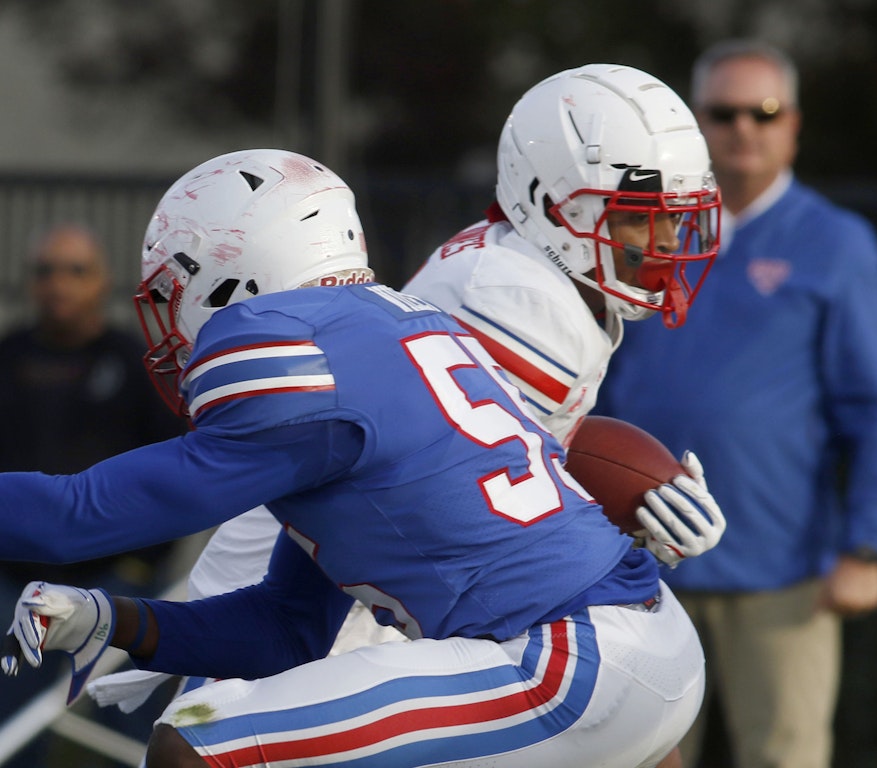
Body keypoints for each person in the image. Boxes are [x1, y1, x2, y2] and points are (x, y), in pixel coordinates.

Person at [87, 63, 730, 767]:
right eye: (640, 217)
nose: (665, 245)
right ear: (552, 205)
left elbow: (502, 475)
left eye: (673, 217)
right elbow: (460, 490)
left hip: (376, 574)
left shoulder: (525, 273)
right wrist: (623, 508)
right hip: (346, 592)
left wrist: (637, 504)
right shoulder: (522, 304)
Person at [593, 40, 877, 768]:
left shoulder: (836, 243)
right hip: (642, 560)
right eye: (723, 111)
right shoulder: (646, 236)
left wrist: (866, 544)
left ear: (793, 123)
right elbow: (597, 384)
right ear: (696, 125)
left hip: (781, 569)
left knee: (786, 756)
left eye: (764, 111)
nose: (745, 127)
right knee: (636, 756)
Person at [0, 223, 185, 767]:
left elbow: (177, 473)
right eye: (45, 271)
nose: (59, 283)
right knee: (13, 728)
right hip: (13, 583)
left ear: (102, 282)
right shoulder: (6, 358)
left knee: (128, 728)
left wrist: (141, 565)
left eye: (75, 270)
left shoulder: (136, 364)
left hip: (114, 583)